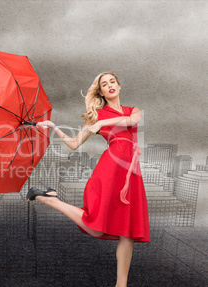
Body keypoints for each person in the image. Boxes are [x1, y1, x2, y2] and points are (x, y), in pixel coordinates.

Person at [27, 72, 150, 287]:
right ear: (101, 92)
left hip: (131, 174)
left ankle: (121, 285)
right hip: (111, 171)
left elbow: (134, 120)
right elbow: (74, 144)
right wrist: (54, 127)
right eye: (104, 84)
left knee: (127, 233)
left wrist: (102, 124)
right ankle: (50, 200)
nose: (109, 85)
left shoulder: (133, 110)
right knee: (96, 227)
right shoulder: (97, 115)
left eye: (112, 82)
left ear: (119, 86)